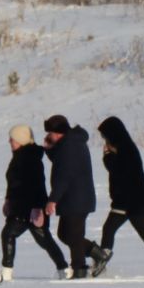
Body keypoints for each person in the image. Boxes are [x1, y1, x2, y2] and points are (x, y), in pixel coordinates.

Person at [93, 116, 144, 277]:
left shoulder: (126, 148)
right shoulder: (122, 147)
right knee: (113, 229)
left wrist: (107, 157)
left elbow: (118, 171)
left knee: (142, 234)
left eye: (105, 136)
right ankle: (102, 261)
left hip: (132, 201)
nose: (104, 140)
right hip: (128, 201)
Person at [0, 125, 68, 281]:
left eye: (13, 138)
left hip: (29, 209)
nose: (10, 141)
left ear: (21, 140)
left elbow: (38, 184)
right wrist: (8, 200)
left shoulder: (29, 158)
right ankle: (64, 268)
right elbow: (14, 183)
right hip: (20, 207)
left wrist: (37, 208)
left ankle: (6, 272)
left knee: (10, 234)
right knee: (43, 240)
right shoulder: (19, 156)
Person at [42, 114, 97, 278]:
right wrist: (48, 148)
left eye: (50, 132)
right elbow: (60, 163)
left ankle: (79, 270)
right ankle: (98, 253)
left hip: (77, 197)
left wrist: (52, 200)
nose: (48, 135)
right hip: (74, 197)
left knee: (73, 235)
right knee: (65, 234)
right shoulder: (69, 142)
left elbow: (63, 176)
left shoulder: (69, 146)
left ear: (58, 132)